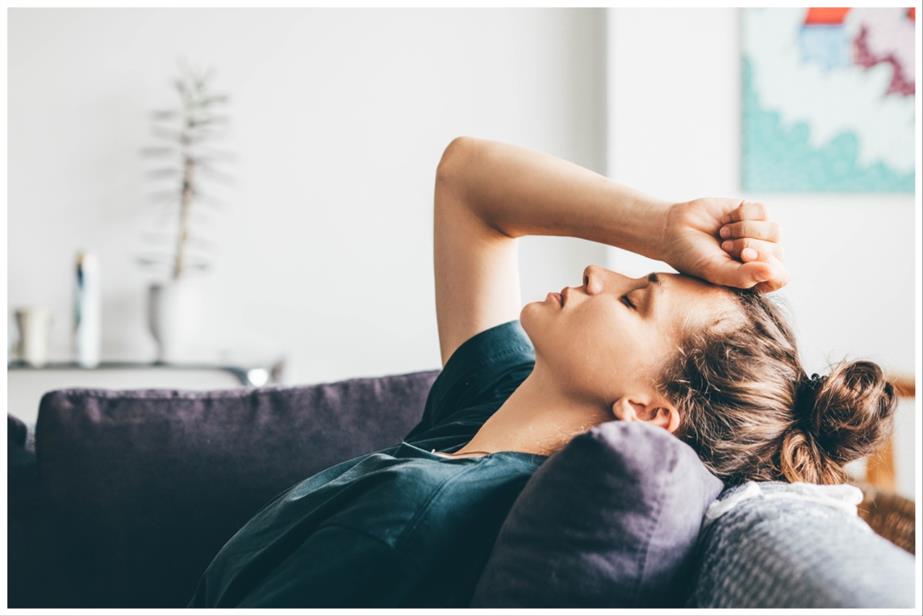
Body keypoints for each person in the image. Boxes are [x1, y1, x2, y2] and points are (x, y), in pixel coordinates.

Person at [187, 137, 896, 608]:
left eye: (632, 300)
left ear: (648, 410)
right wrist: (664, 225)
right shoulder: (493, 406)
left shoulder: (419, 512)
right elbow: (468, 178)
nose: (596, 269)